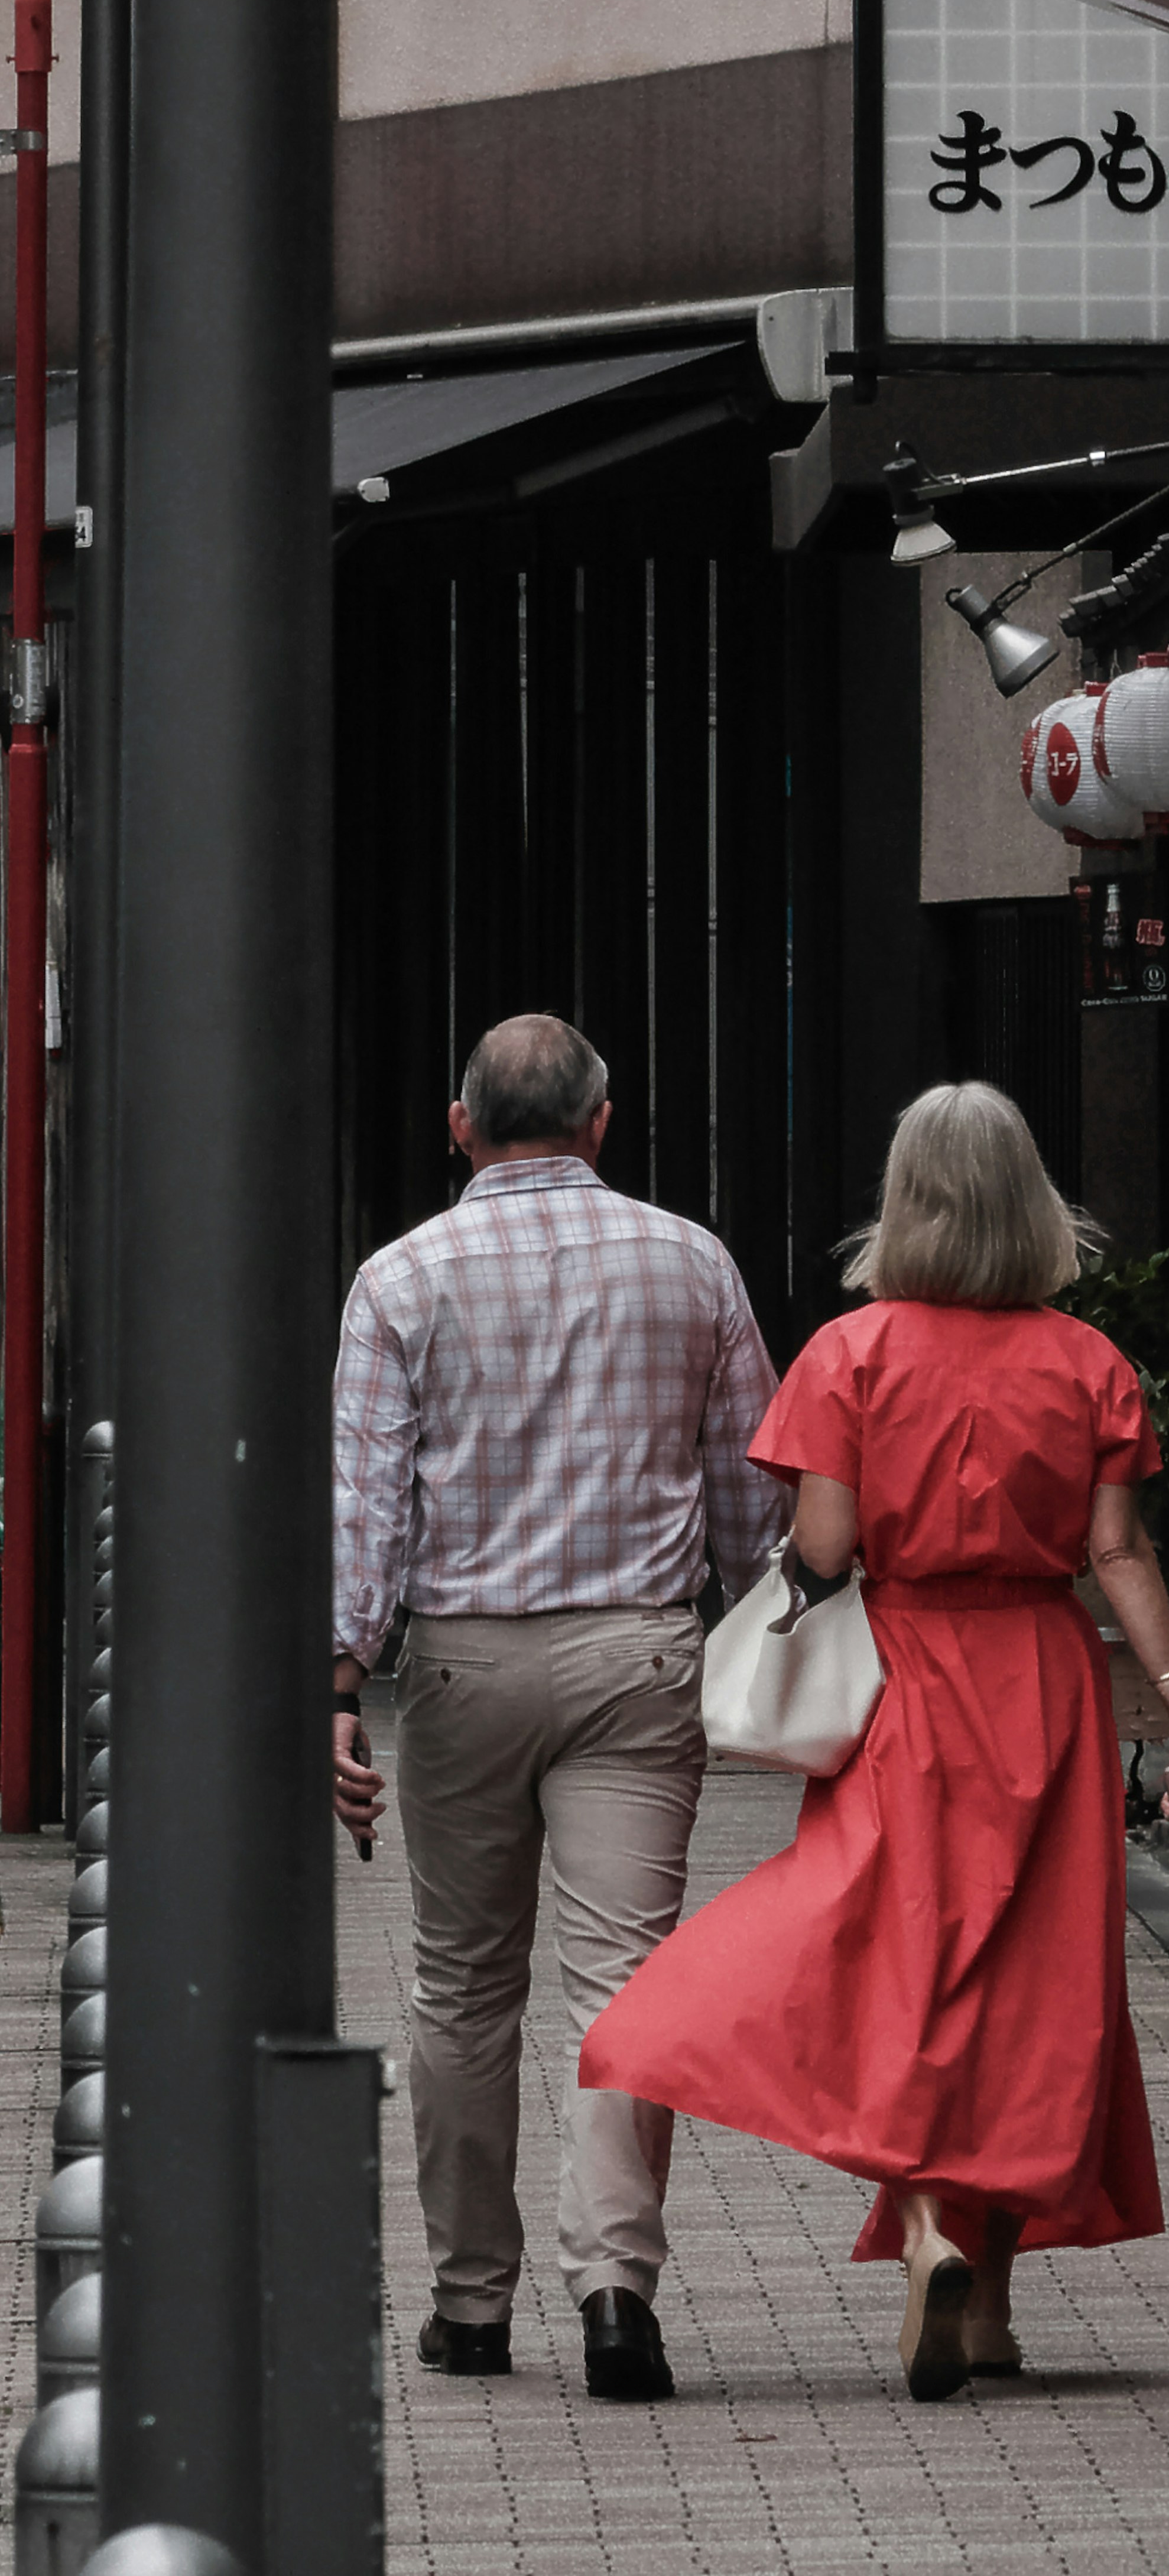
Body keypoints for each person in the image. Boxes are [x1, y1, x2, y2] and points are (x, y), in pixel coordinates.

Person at [581, 1078, 1169, 2403]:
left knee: (905, 1962)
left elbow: (824, 1552)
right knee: (1033, 1989)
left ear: (907, 1202)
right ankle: (985, 2303)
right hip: (1043, 1685)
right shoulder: (1088, 1362)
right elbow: (1116, 1553)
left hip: (908, 1684)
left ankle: (932, 2223)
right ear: (1028, 1205)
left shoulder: (850, 1354)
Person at [330, 1009, 784, 2405]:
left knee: (463, 1985)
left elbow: (366, 1507)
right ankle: (615, 2299)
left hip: (463, 1666)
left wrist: (340, 1686)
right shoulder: (690, 1261)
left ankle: (471, 2307)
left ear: (461, 1128)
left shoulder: (400, 1279)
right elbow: (752, 1494)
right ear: (600, 1122)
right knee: (625, 1982)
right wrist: (766, 1637)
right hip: (637, 1663)